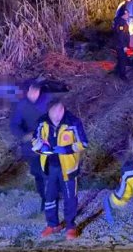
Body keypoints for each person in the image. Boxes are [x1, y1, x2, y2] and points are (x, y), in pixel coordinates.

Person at [32, 99, 88, 239]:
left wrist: (67, 149)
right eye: (55, 112)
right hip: (49, 167)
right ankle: (52, 225)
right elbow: (35, 140)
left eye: (60, 110)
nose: (58, 114)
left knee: (70, 198)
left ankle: (70, 226)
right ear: (49, 111)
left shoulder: (73, 122)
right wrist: (41, 146)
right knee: (50, 197)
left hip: (68, 168)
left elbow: (83, 143)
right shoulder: (42, 122)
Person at [9, 77, 56, 212]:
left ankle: (52, 196)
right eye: (33, 91)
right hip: (31, 146)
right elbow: (14, 125)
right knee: (38, 173)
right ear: (28, 90)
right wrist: (24, 136)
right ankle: (44, 197)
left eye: (38, 91)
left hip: (48, 142)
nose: (36, 94)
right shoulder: (20, 106)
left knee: (50, 170)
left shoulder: (46, 100)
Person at [113, 4, 131, 81]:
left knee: (120, 59)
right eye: (127, 14)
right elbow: (121, 36)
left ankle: (116, 71)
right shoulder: (122, 23)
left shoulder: (119, 21)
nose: (128, 15)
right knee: (122, 60)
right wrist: (124, 46)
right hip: (120, 46)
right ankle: (122, 76)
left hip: (118, 45)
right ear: (123, 15)